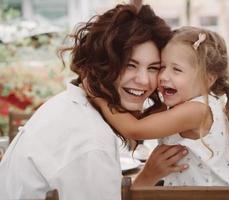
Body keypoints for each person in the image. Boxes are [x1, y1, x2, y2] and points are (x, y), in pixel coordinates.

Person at [0, 4, 188, 200]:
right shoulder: (91, 140)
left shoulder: (70, 105)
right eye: (130, 65)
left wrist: (147, 177)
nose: (144, 80)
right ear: (103, 64)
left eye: (153, 68)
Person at [90, 26, 229, 186]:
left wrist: (98, 96)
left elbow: (134, 129)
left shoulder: (198, 110)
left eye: (176, 70)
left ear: (207, 80)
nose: (164, 76)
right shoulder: (183, 107)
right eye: (162, 67)